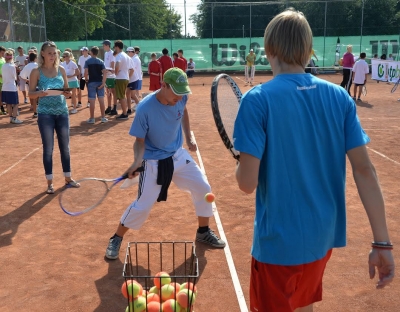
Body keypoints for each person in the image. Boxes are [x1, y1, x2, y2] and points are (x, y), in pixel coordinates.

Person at [233, 9, 394, 312]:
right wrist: (382, 243)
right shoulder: (340, 97)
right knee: (303, 304)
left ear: (269, 49)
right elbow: (365, 170)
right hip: (322, 239)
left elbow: (246, 183)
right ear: (308, 50)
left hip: (278, 245)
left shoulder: (258, 99)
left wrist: (238, 164)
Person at [104, 68, 226, 260]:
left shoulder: (181, 97)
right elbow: (139, 141)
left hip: (177, 155)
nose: (180, 96)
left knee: (203, 188)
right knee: (143, 206)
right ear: (163, 85)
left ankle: (203, 231)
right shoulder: (145, 108)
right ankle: (116, 237)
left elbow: (183, 111)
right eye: (176, 92)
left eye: (182, 92)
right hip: (153, 161)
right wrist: (137, 162)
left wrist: (187, 136)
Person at [29, 41, 80, 194]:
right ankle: (50, 182)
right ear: (42, 54)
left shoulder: (62, 69)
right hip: (45, 114)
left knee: (65, 147)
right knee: (48, 148)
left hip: (62, 113)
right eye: (49, 53)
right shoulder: (36, 72)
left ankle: (68, 178)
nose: (53, 56)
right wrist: (41, 93)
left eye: (55, 53)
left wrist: (67, 93)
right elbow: (31, 93)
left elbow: (67, 90)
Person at [84, 46, 107, 124]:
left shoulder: (87, 61)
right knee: (101, 100)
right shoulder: (101, 61)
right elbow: (105, 72)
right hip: (100, 82)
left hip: (91, 82)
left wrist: (86, 79)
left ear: (91, 52)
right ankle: (103, 117)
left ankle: (92, 118)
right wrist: (103, 83)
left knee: (92, 101)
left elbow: (86, 72)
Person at [113, 40, 132, 120]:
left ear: (117, 47)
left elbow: (117, 65)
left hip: (120, 78)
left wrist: (115, 72)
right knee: (122, 95)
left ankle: (124, 114)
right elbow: (131, 68)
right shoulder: (126, 55)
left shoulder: (119, 55)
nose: (114, 48)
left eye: (115, 47)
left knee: (121, 96)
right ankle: (124, 113)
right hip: (125, 77)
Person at [2, 50, 21, 124]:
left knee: (8, 104)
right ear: (11, 57)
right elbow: (15, 77)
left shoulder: (3, 65)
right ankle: (14, 118)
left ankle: (11, 118)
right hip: (11, 87)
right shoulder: (12, 66)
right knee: (15, 103)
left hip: (5, 87)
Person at [19, 52, 39, 118]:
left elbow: (21, 75)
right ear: (36, 58)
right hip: (38, 83)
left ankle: (34, 110)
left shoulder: (27, 66)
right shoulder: (38, 65)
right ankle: (39, 110)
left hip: (30, 83)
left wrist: (26, 80)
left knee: (32, 96)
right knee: (39, 96)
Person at [102, 40, 117, 116]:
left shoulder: (112, 53)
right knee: (108, 92)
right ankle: (109, 107)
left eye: (104, 45)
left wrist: (108, 70)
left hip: (111, 76)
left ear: (107, 45)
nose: (103, 46)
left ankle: (114, 108)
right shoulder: (106, 53)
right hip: (107, 75)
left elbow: (112, 65)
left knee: (113, 92)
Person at [126, 47, 140, 113]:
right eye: (127, 52)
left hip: (133, 79)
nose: (127, 53)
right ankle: (129, 109)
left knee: (133, 95)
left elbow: (132, 70)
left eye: (128, 52)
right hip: (130, 78)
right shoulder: (131, 58)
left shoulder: (134, 59)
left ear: (132, 52)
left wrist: (128, 78)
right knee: (127, 93)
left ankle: (139, 106)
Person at [0, 46, 6, 115]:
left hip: (4, 81)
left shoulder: (3, 59)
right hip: (0, 80)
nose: (3, 54)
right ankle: (2, 108)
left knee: (2, 95)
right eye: (2, 53)